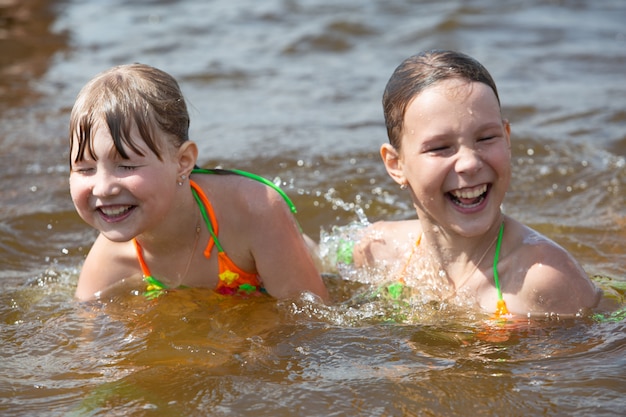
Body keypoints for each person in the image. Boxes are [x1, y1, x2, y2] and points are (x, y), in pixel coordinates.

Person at [347, 50, 600, 317]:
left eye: (486, 138)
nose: (469, 163)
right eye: (441, 147)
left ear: (507, 138)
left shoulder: (543, 279)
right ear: (396, 165)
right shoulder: (377, 250)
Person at [69, 63, 328, 302]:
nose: (103, 188)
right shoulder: (109, 261)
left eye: (126, 165)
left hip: (319, 264)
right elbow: (86, 342)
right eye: (85, 168)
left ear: (183, 162)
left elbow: (313, 319)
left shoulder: (255, 210)